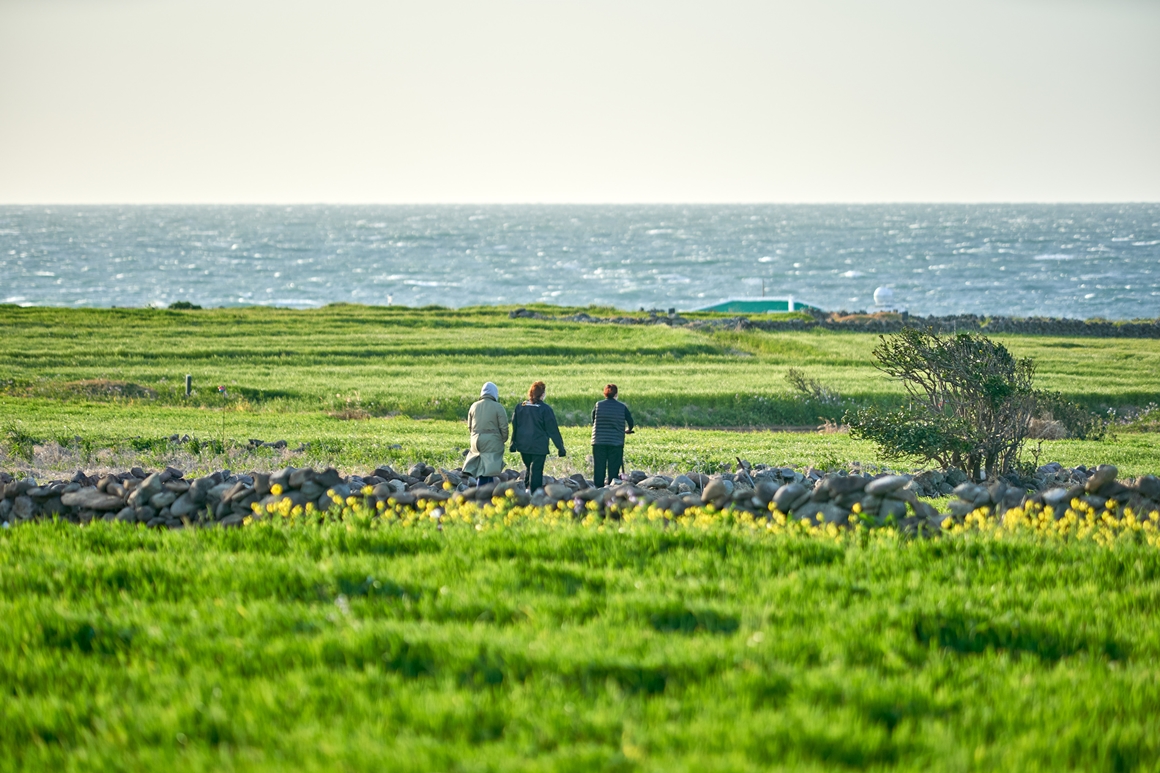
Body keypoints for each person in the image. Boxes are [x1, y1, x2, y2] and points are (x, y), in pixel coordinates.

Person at [510, 380, 566, 493]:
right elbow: (553, 430)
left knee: (528, 468)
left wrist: (513, 442)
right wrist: (560, 447)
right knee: (536, 471)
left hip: (523, 445)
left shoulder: (521, 406)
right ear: (542, 394)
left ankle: (526, 491)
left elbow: (515, 425)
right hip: (539, 446)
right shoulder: (545, 409)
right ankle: (535, 495)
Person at [463, 382, 509, 485]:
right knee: (487, 471)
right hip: (492, 441)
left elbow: (470, 426)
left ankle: (486, 492)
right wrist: (503, 439)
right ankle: (482, 494)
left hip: (476, 441)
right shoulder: (498, 407)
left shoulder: (474, 406)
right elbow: (504, 427)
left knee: (482, 469)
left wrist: (475, 436)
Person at [591, 383, 634, 487]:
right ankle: (611, 488)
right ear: (616, 394)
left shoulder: (598, 405)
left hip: (598, 441)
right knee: (613, 468)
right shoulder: (622, 407)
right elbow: (630, 421)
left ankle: (598, 489)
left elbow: (593, 419)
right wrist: (628, 429)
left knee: (599, 467)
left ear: (604, 394)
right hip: (616, 442)